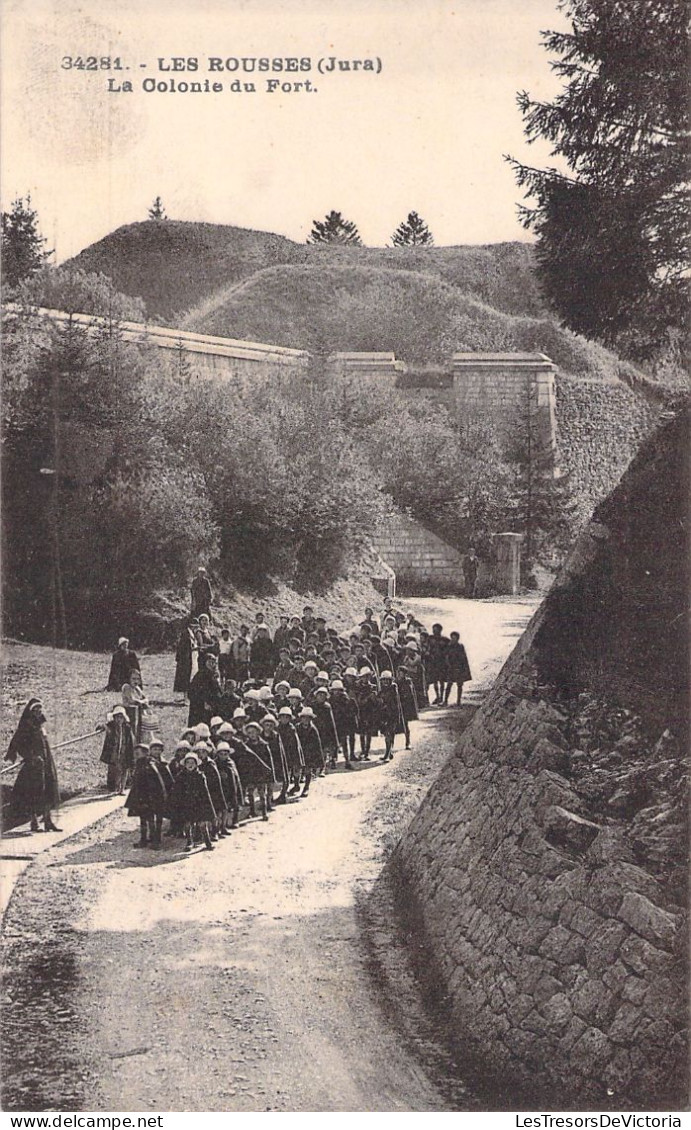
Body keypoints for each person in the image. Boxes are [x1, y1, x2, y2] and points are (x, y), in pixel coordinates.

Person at [5, 698, 61, 832]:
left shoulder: (40, 724)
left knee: (49, 788)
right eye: (35, 709)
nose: (38, 712)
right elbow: (18, 745)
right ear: (31, 712)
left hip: (46, 761)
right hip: (34, 765)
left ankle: (48, 821)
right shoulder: (26, 726)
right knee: (33, 792)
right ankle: (34, 822)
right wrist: (31, 756)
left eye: (40, 709)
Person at [169, 751, 217, 851]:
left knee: (202, 824)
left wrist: (208, 806)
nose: (190, 765)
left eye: (193, 763)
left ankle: (208, 842)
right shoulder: (180, 776)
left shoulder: (200, 776)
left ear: (196, 764)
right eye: (188, 763)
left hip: (199, 803)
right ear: (184, 764)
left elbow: (205, 792)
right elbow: (177, 792)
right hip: (186, 804)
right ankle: (189, 842)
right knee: (187, 824)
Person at [125, 743, 168, 849]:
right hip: (141, 796)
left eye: (138, 753)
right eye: (135, 753)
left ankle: (155, 840)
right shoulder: (139, 764)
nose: (135, 755)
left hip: (151, 797)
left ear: (145, 753)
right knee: (143, 819)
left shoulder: (149, 765)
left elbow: (157, 781)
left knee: (153, 819)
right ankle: (143, 839)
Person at [100, 704, 134, 794]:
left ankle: (122, 789)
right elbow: (106, 728)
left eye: (121, 717)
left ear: (124, 718)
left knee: (125, 769)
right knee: (116, 769)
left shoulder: (127, 728)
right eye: (117, 717)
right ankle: (115, 787)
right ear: (114, 718)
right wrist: (102, 727)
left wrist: (131, 751)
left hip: (124, 751)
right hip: (115, 752)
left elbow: (130, 740)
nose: (119, 720)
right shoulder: (111, 726)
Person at [187, 652, 223, 727]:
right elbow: (192, 693)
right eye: (209, 662)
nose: (212, 664)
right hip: (200, 708)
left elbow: (218, 690)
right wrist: (203, 702)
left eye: (214, 662)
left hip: (213, 706)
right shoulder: (199, 676)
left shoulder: (214, 675)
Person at [296, 707, 324, 796]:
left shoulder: (313, 730)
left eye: (308, 718)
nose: (305, 720)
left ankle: (306, 787)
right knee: (296, 770)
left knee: (308, 770)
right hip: (299, 751)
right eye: (304, 717)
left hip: (309, 752)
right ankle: (296, 785)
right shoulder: (297, 727)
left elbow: (317, 745)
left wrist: (319, 759)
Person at [377, 671, 404, 762]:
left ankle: (387, 754)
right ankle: (389, 752)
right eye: (383, 680)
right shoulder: (381, 691)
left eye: (387, 680)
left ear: (390, 680)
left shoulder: (393, 689)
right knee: (387, 734)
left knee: (389, 734)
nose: (385, 682)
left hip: (392, 715)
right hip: (384, 716)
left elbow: (394, 703)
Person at [277, 707, 304, 796]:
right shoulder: (278, 728)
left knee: (294, 770)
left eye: (286, 717)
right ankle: (288, 789)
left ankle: (286, 791)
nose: (284, 719)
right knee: (286, 772)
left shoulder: (291, 728)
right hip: (283, 752)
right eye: (282, 717)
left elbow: (294, 744)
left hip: (292, 752)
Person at [330, 680, 359, 766]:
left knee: (344, 741)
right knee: (334, 742)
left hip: (343, 723)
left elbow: (352, 710)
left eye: (339, 690)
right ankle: (333, 760)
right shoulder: (330, 700)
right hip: (334, 723)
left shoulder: (346, 699)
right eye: (335, 690)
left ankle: (347, 759)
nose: (337, 692)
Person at [443, 631, 472, 705]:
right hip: (451, 667)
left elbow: (463, 658)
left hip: (459, 668)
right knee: (449, 685)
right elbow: (446, 656)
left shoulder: (460, 646)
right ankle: (445, 701)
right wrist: (448, 665)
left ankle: (458, 701)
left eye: (454, 638)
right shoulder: (449, 646)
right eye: (452, 638)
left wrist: (462, 668)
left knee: (459, 685)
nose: (453, 639)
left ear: (457, 639)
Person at [121, 669, 149, 743]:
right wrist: (142, 702)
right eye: (133, 679)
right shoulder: (126, 687)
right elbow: (132, 700)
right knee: (133, 733)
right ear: (129, 679)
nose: (135, 681)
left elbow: (146, 699)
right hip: (130, 713)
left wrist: (143, 702)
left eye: (137, 679)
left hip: (139, 712)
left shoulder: (137, 688)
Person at [426, 623, 450, 706]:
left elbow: (448, 650)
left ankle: (441, 697)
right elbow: (428, 647)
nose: (434, 631)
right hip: (433, 662)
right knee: (435, 680)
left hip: (442, 663)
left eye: (436, 630)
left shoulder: (445, 640)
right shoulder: (430, 638)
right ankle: (437, 696)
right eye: (433, 629)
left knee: (442, 681)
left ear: (440, 630)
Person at [396, 667, 418, 749]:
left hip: (405, 706)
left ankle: (407, 742)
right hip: (398, 705)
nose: (399, 674)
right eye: (398, 672)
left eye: (401, 672)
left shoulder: (408, 681)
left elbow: (410, 694)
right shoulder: (396, 681)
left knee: (405, 724)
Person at [173, 619, 196, 695]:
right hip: (185, 658)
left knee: (188, 675)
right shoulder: (186, 633)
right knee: (185, 676)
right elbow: (183, 647)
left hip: (190, 656)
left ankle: (187, 695)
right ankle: (185, 695)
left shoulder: (191, 633)